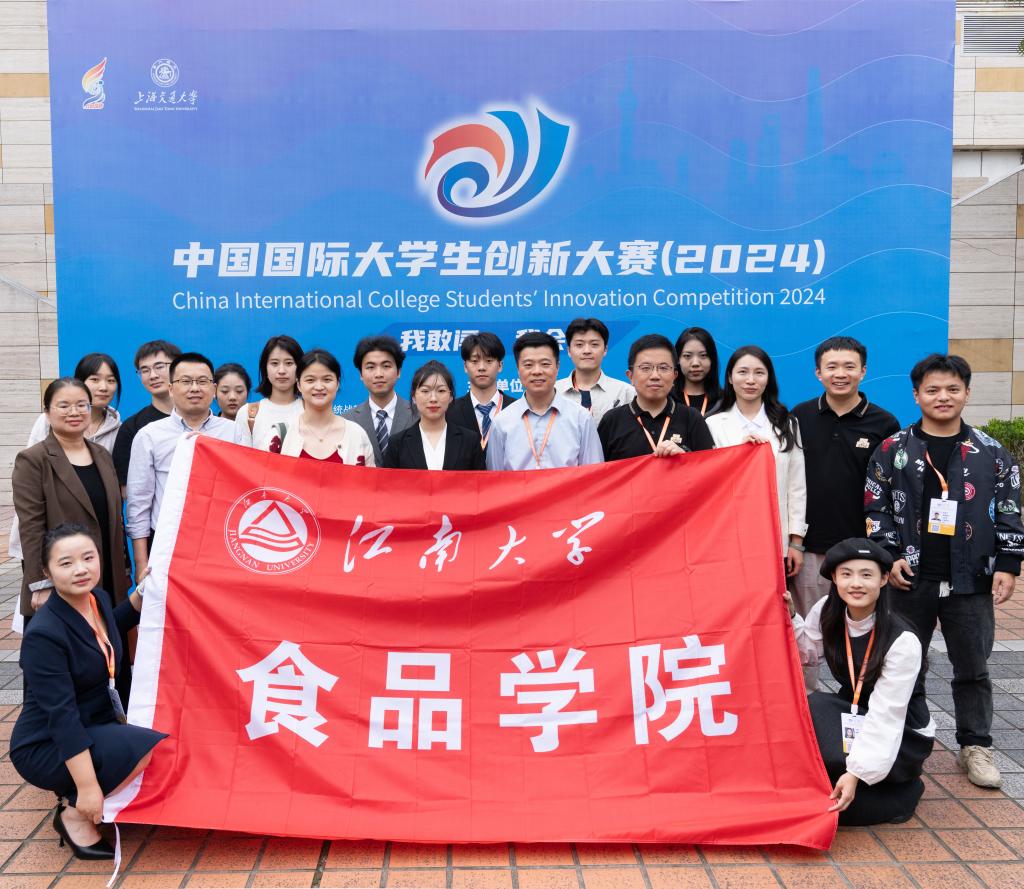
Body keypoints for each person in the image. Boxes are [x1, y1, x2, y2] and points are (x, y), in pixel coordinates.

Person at [866, 353, 1024, 789]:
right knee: (904, 664)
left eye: (953, 389)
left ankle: (975, 746)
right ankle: (906, 740)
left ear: (967, 394)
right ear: (916, 395)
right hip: (908, 578)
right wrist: (888, 556)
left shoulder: (991, 453)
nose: (943, 397)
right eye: (932, 389)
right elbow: (876, 507)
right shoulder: (892, 450)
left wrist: (1008, 564)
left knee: (973, 667)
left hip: (970, 579)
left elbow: (1010, 511)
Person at [10, 523, 166, 860]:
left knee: (148, 740)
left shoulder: (97, 599)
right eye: (66, 563)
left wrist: (142, 593)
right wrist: (87, 788)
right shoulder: (44, 635)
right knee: (141, 750)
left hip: (91, 721)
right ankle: (73, 814)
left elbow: (110, 628)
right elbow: (62, 718)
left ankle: (83, 789)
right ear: (46, 571)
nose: (80, 569)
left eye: (88, 558)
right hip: (45, 741)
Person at [789, 538, 934, 826]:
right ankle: (860, 774)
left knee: (834, 807)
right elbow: (807, 653)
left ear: (883, 579)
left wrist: (856, 773)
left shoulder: (903, 640)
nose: (856, 584)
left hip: (902, 729)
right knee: (807, 710)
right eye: (847, 574)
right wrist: (791, 615)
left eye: (866, 575)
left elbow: (886, 716)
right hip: (854, 710)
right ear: (834, 578)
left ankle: (903, 788)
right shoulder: (827, 609)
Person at [12, 379, 131, 648]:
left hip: (105, 574)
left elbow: (114, 517)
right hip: (62, 579)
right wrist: (41, 584)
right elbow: (31, 528)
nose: (74, 412)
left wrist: (124, 567)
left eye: (81, 405)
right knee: (67, 657)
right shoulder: (33, 460)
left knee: (108, 654)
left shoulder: (101, 455)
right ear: (47, 412)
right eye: (63, 406)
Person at [791, 337, 900, 617]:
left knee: (860, 628)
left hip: (863, 549)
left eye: (849, 366)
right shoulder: (799, 416)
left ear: (863, 371)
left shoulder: (884, 423)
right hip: (810, 548)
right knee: (810, 630)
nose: (840, 374)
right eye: (832, 367)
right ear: (818, 372)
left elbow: (891, 489)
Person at [126, 352, 245, 579]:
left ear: (213, 389)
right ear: (171, 388)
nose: (195, 388)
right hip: (167, 543)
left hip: (220, 542)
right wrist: (142, 564)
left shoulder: (234, 433)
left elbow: (242, 492)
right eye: (186, 381)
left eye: (202, 381)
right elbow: (138, 505)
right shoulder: (149, 435)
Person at [10, 353, 124, 570]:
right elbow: (32, 509)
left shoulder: (113, 435)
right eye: (95, 379)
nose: (103, 387)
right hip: (55, 545)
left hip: (97, 546)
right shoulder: (37, 448)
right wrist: (39, 577)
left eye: (110, 380)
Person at [706, 346, 807, 576]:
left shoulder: (787, 423)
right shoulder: (713, 424)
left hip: (776, 536)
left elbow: (796, 487)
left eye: (759, 373)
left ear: (768, 378)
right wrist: (740, 454)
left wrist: (796, 542)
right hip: (729, 535)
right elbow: (710, 483)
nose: (750, 380)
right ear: (730, 377)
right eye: (742, 372)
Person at [487, 331, 603, 470]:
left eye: (545, 364)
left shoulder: (581, 418)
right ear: (518, 369)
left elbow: (593, 474)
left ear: (557, 367)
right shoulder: (502, 422)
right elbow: (495, 478)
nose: (537, 371)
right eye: (528, 365)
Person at [598, 334, 715, 460]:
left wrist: (685, 457)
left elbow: (710, 467)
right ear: (630, 376)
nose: (655, 376)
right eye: (646, 368)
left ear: (675, 376)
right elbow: (597, 469)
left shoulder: (691, 418)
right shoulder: (612, 421)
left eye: (663, 368)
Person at [280, 349, 376, 464]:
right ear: (299, 385)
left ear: (337, 383)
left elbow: (369, 475)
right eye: (310, 380)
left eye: (327, 380)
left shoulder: (357, 434)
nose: (319, 387)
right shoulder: (280, 436)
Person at [384, 361, 485, 470]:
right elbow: (388, 481)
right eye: (425, 391)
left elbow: (480, 480)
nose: (433, 398)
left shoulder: (470, 441)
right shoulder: (397, 443)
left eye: (441, 391)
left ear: (451, 396)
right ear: (414, 397)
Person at [112, 340, 181, 489]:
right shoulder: (132, 428)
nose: (153, 375)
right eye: (144, 370)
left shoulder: (200, 418)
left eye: (159, 367)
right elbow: (126, 489)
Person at [343, 335, 417, 464]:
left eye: (386, 366)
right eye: (370, 367)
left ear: (398, 371)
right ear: (361, 374)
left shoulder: (418, 415)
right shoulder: (347, 420)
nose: (378, 374)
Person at [446, 332, 518, 449]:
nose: (481, 368)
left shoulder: (517, 409)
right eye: (474, 361)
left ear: (500, 366)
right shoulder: (449, 411)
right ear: (465, 366)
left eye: (489, 361)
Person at [555, 318, 634, 423]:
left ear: (605, 349)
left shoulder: (625, 392)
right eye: (579, 345)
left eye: (594, 344)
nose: (587, 351)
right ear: (569, 351)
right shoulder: (554, 392)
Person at [235, 334, 304, 451]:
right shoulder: (248, 414)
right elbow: (243, 459)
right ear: (265, 369)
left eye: (289, 363)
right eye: (274, 363)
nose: (281, 371)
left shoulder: (312, 410)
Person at [673, 327, 724, 418]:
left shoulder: (726, 402)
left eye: (703, 355)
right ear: (677, 359)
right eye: (687, 356)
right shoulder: (667, 400)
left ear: (712, 359)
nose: (695, 363)